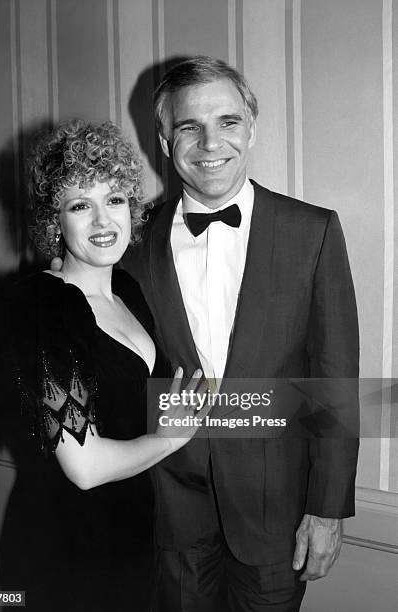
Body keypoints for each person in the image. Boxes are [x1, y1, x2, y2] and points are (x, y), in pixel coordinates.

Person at [119, 56, 359, 611]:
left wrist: (327, 510)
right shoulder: (129, 244)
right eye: (188, 126)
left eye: (227, 122)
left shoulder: (313, 231)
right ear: (163, 137)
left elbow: (335, 379)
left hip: (277, 514)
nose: (210, 142)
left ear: (251, 128)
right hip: (169, 512)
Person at [2, 119, 208, 612]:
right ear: (55, 221)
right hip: (64, 548)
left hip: (131, 529)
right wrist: (172, 437)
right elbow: (86, 466)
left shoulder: (129, 293)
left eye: (114, 200)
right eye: (80, 205)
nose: (102, 220)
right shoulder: (40, 306)